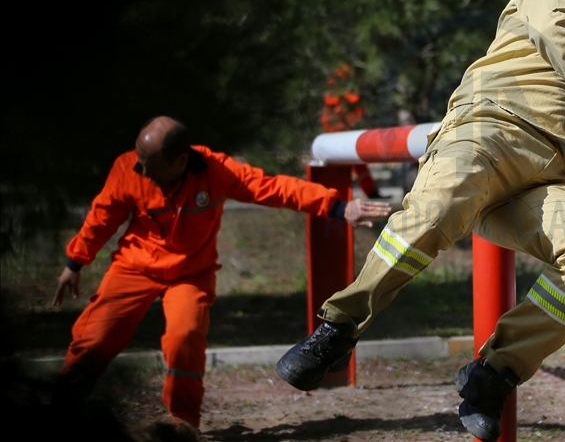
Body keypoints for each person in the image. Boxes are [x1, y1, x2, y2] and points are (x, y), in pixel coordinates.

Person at [275, 0, 565, 441]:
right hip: (489, 135)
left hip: (539, 174)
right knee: (434, 212)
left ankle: (494, 373)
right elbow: (556, 33)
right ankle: (338, 328)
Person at [52, 116, 391, 430]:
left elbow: (273, 187)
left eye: (149, 165)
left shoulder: (216, 170)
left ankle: (182, 425)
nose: (140, 169)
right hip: (134, 266)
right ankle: (61, 408)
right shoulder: (128, 167)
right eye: (140, 160)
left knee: (185, 338)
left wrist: (337, 206)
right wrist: (75, 262)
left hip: (190, 274)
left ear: (180, 161)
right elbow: (102, 217)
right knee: (94, 338)